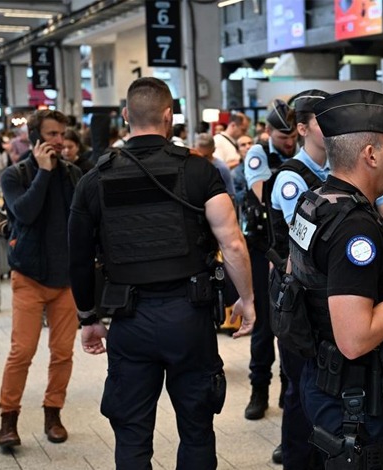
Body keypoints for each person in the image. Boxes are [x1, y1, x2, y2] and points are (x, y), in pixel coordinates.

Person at [68, 77, 256, 469]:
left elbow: (79, 257)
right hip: (189, 317)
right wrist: (247, 299)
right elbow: (232, 243)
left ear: (125, 116)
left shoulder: (94, 180)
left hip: (129, 320)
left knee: (132, 432)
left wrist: (88, 317)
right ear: (169, 116)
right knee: (197, 427)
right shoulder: (199, 171)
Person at [289, 88, 383, 469]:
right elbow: (355, 338)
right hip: (354, 396)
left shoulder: (316, 201)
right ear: (371, 154)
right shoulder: (354, 228)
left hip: (325, 380)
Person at [0, 109, 83, 448]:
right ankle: (8, 418)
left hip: (66, 280)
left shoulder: (75, 174)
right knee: (22, 351)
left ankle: (53, 412)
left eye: (61, 134)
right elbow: (25, 214)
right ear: (35, 138)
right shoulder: (13, 175)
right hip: (29, 277)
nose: (59, 141)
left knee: (62, 353)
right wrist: (44, 174)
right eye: (51, 135)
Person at [266, 89, 330, 469]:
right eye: (324, 120)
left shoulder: (338, 171)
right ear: (303, 128)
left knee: (324, 388)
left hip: (326, 299)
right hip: (298, 301)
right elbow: (306, 244)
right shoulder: (292, 177)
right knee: (300, 389)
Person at [240, 99, 298, 422]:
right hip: (263, 248)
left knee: (291, 323)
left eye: (292, 136)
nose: (288, 143)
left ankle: (287, 391)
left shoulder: (299, 153)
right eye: (282, 136)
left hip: (293, 248)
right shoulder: (258, 154)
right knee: (264, 325)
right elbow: (263, 195)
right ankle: (258, 390)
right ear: (267, 131)